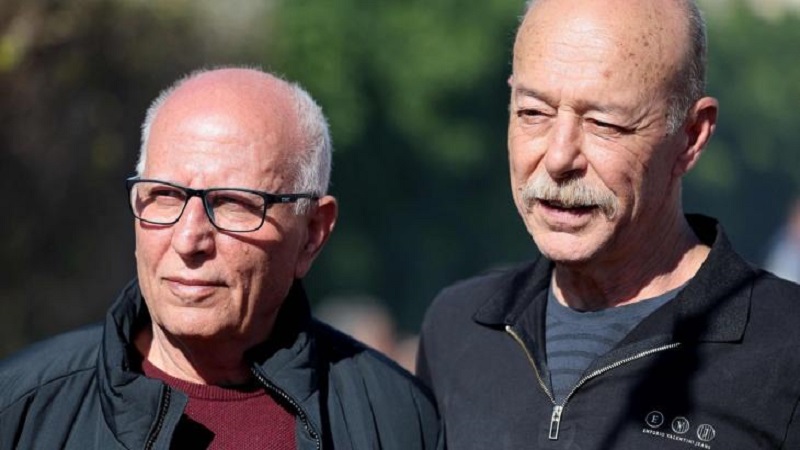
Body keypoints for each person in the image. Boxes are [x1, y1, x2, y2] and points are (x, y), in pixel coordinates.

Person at [417, 1, 800, 448]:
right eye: (533, 113)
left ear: (691, 136)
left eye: (604, 123)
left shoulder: (785, 347)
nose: (559, 157)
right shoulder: (458, 329)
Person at [0, 67, 440, 449]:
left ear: (311, 234)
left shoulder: (396, 421)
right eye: (165, 196)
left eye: (232, 203)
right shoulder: (22, 408)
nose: (188, 239)